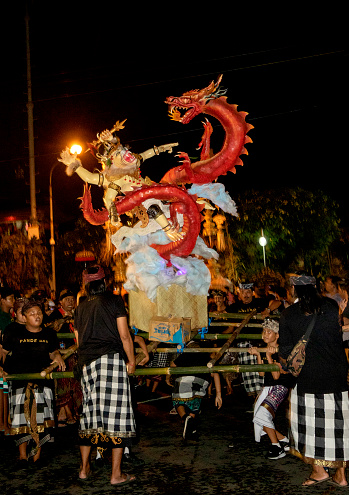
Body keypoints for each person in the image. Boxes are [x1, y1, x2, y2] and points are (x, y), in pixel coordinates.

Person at [278, 275, 349, 488]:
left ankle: (319, 471)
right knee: (338, 427)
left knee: (311, 428)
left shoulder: (289, 314)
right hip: (337, 375)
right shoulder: (331, 306)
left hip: (309, 379)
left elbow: (285, 353)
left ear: (293, 289)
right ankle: (341, 475)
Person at [74, 265, 137, 486]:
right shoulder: (114, 301)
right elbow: (124, 335)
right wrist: (131, 360)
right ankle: (116, 474)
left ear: (86, 284)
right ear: (104, 282)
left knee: (89, 415)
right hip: (110, 361)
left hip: (86, 364)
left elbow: (78, 339)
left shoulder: (80, 306)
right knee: (117, 417)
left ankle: (84, 469)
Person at [1, 298, 65, 468]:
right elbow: (3, 352)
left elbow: (53, 352)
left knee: (41, 420)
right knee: (21, 420)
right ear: (24, 316)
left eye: (39, 313)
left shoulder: (49, 334)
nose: (36, 316)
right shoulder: (14, 332)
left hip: (42, 383)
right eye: (32, 313)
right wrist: (1, 368)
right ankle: (22, 456)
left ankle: (37, 455)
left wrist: (57, 356)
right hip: (20, 381)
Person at [248, 318, 294, 460]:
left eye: (269, 332)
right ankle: (283, 440)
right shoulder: (264, 348)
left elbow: (275, 376)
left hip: (279, 387)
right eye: (264, 331)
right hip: (267, 387)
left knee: (261, 415)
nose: (265, 334)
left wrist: (268, 356)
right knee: (258, 418)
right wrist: (258, 356)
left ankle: (276, 446)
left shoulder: (282, 351)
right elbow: (262, 373)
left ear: (277, 335)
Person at [171, 341, 222, 440]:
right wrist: (218, 395)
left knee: (178, 402)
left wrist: (168, 377)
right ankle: (192, 429)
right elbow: (215, 374)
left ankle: (185, 417)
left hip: (184, 381)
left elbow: (172, 365)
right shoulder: (206, 358)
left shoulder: (184, 356)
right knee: (194, 406)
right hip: (199, 385)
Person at [48, 289, 82, 426]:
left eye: (72, 299)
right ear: (60, 302)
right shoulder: (54, 316)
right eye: (67, 299)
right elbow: (51, 330)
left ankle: (70, 411)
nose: (70, 302)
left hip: (75, 353)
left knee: (75, 382)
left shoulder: (78, 313)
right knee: (63, 383)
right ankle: (66, 412)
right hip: (61, 354)